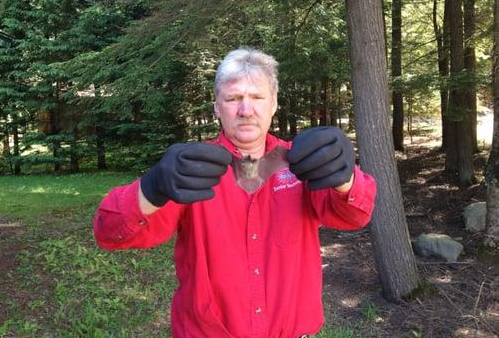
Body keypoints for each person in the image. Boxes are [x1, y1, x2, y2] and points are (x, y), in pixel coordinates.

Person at [94, 47, 377, 338]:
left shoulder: (303, 163)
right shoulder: (191, 169)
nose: (246, 110)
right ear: (216, 106)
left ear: (274, 103)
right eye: (233, 99)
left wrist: (345, 177)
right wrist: (152, 187)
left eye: (256, 97)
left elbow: (354, 215)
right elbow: (110, 232)